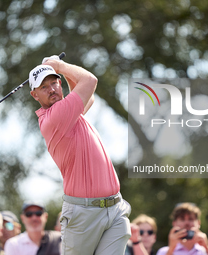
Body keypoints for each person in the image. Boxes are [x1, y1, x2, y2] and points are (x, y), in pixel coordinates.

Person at [28, 54, 131, 255]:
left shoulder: (69, 112)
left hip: (115, 208)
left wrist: (62, 72)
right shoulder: (56, 117)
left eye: (54, 83)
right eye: (44, 87)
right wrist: (60, 65)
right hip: (83, 214)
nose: (52, 89)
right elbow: (90, 81)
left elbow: (87, 96)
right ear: (35, 96)